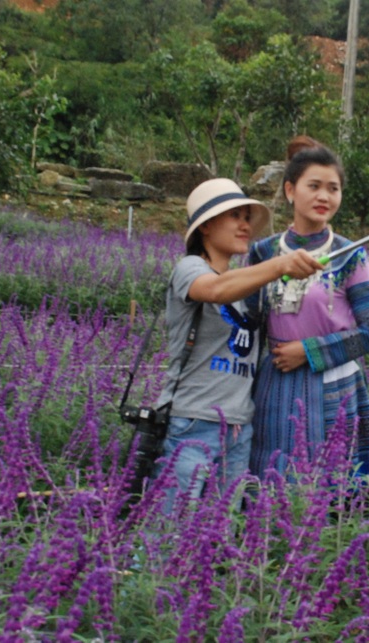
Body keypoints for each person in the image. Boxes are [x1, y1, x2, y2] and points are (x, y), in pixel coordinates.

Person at [153, 178, 323, 506]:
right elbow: (215, 290)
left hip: (238, 429)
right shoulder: (190, 268)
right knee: (168, 532)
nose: (245, 225)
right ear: (206, 225)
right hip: (194, 422)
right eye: (236, 216)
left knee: (218, 535)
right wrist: (279, 265)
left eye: (247, 218)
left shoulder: (247, 286)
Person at [247, 136, 369, 481]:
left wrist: (307, 351)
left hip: (335, 387)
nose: (324, 196)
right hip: (275, 384)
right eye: (314, 186)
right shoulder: (263, 253)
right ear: (291, 190)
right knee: (271, 480)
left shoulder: (350, 254)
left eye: (333, 188)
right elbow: (248, 323)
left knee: (333, 486)